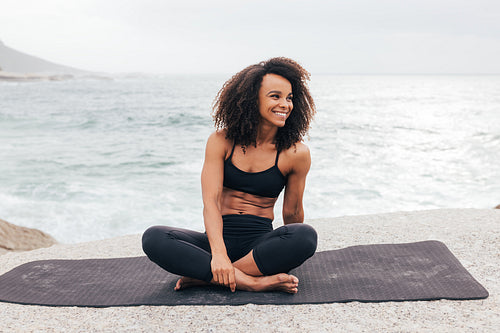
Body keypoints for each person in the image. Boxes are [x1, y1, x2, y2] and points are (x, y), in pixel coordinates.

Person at [142, 57, 317, 294]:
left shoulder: (296, 153)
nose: (285, 104)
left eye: (289, 98)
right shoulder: (221, 141)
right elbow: (211, 203)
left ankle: (208, 276)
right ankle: (251, 282)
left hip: (258, 245)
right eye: (275, 96)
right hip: (215, 241)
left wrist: (292, 250)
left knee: (306, 236)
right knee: (154, 237)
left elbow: (293, 213)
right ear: (251, 99)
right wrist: (219, 255)